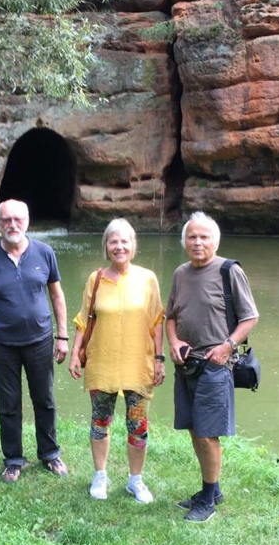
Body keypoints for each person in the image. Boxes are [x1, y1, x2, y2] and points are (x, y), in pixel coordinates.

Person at [166, 212, 259, 523]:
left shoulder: (229, 271)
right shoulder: (180, 273)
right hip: (186, 364)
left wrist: (226, 346)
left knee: (208, 434)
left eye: (204, 237)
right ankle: (212, 490)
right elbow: (170, 317)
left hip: (216, 365)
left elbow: (250, 317)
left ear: (215, 241)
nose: (198, 242)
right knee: (194, 429)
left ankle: (207, 501)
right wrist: (173, 342)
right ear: (184, 242)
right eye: (192, 237)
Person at [0, 199, 70, 482]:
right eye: (6, 220)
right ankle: (13, 459)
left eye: (18, 219)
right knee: (9, 404)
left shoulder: (45, 252)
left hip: (40, 340)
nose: (12, 225)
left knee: (45, 400)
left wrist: (63, 336)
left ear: (27, 221)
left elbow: (57, 296)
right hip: (3, 344)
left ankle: (49, 453)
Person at [69, 218, 165, 503]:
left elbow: (158, 321)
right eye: (113, 241)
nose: (119, 246)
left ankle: (135, 480)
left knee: (138, 425)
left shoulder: (147, 278)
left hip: (138, 363)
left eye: (125, 241)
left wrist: (159, 359)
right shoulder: (95, 279)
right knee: (100, 421)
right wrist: (75, 353)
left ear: (133, 246)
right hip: (102, 361)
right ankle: (100, 475)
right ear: (106, 246)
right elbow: (84, 318)